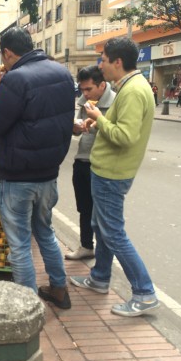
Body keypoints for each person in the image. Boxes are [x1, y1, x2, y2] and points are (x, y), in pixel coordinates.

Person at [0, 27, 75, 309]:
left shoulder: (16, 79)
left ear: (8, 53)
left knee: (20, 244)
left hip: (18, 176)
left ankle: (28, 306)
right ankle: (59, 289)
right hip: (49, 174)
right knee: (45, 232)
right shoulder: (62, 73)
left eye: (3, 56)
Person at [70, 37, 159, 317]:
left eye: (104, 59)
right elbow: (119, 128)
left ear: (117, 62)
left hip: (112, 173)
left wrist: (99, 116)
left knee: (113, 233)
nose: (101, 65)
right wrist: (98, 122)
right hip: (106, 170)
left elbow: (125, 136)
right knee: (101, 225)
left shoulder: (133, 91)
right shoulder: (130, 87)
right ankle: (100, 277)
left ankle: (144, 292)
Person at [65, 66, 116, 261]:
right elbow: (77, 129)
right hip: (82, 160)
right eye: (82, 90)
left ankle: (104, 261)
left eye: (89, 89)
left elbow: (118, 135)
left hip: (102, 165)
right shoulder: (84, 102)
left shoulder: (115, 102)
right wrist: (76, 127)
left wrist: (98, 119)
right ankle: (86, 245)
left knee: (102, 215)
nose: (85, 94)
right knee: (84, 208)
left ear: (102, 85)